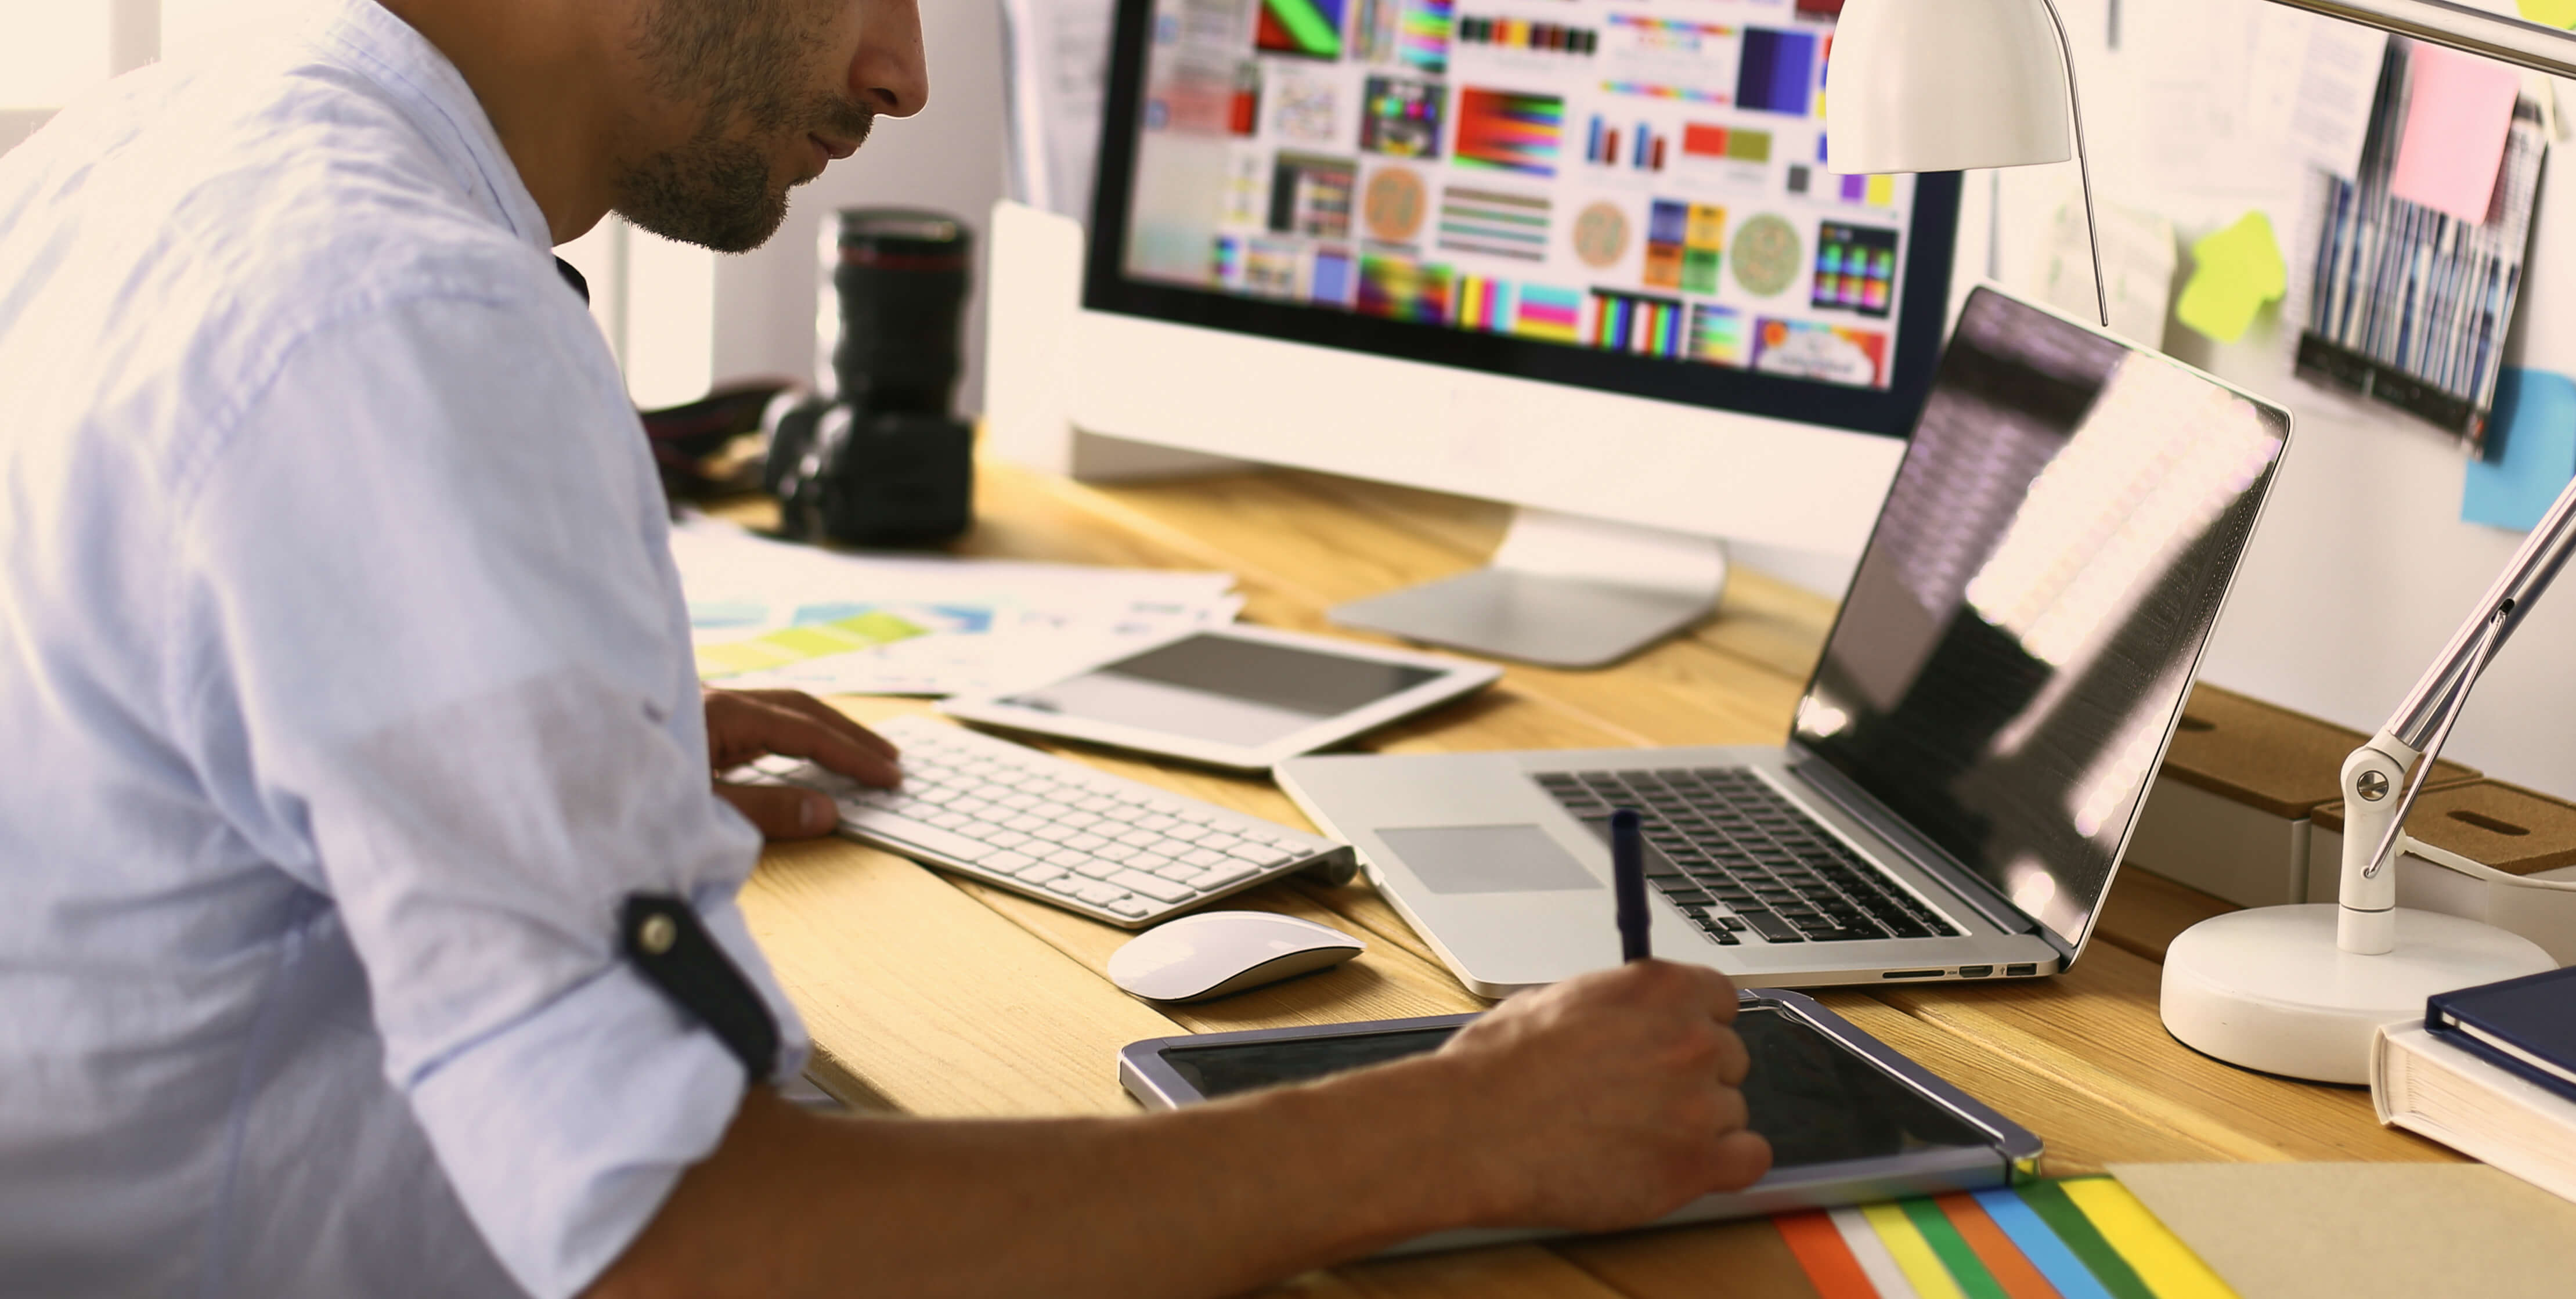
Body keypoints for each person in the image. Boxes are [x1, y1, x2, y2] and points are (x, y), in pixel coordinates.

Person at [0, 1, 1772, 1295]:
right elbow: (677, 1242)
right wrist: (1454, 1132)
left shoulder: (170, 144)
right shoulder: (401, 316)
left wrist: (521, 743)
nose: (904, 72)